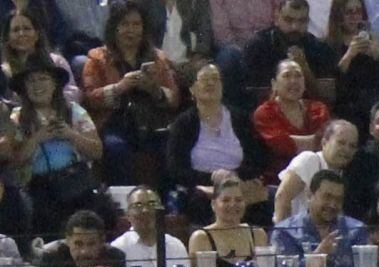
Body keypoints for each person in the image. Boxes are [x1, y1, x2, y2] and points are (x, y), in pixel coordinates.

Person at [12, 52, 108, 239]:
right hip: (38, 190)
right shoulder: (17, 117)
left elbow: (97, 151)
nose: (37, 85)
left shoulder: (74, 111)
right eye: (31, 81)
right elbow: (15, 159)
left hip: (75, 186)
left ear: (54, 83)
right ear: (24, 87)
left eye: (43, 79)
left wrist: (70, 134)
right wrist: (37, 138)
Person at [80, 1, 178, 182]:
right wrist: (119, 87)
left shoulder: (157, 58)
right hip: (114, 122)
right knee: (116, 149)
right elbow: (89, 98)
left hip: (152, 122)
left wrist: (154, 89)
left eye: (136, 24)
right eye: (124, 24)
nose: (131, 30)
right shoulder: (96, 58)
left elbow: (173, 98)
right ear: (114, 28)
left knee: (169, 147)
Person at [165, 62, 271, 225]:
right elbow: (176, 169)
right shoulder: (184, 123)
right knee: (200, 201)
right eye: (204, 79)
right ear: (192, 89)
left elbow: (259, 157)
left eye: (215, 79)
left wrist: (236, 176)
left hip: (238, 184)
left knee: (264, 199)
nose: (210, 83)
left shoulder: (239, 119)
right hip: (202, 188)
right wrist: (212, 178)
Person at [226, 0, 336, 107]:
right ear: (277, 18)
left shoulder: (318, 48)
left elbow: (326, 99)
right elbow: (250, 95)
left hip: (308, 112)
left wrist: (305, 68)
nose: (295, 27)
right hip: (268, 114)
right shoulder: (258, 46)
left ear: (308, 22)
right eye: (289, 20)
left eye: (301, 21)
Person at [271, 167, 368, 267]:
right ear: (309, 195)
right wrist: (317, 256)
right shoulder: (285, 231)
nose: (333, 204)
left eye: (338, 199)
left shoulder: (356, 230)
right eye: (327, 197)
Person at [327, 0, 379, 125]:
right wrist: (349, 55)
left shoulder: (372, 39)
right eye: (349, 12)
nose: (354, 16)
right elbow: (334, 83)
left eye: (358, 11)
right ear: (339, 15)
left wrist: (378, 56)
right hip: (348, 104)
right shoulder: (329, 44)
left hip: (375, 99)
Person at [187, 174, 271, 267]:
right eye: (226, 200)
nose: (233, 205)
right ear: (213, 204)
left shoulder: (258, 234)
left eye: (238, 200)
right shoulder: (201, 238)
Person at [274, 116, 359, 221]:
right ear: (324, 142)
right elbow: (282, 197)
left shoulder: (346, 175)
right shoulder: (309, 159)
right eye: (341, 143)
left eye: (352, 146)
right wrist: (282, 233)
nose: (346, 150)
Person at [252, 56, 330, 165]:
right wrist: (318, 141)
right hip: (279, 176)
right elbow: (282, 146)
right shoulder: (265, 112)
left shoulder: (318, 109)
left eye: (298, 76)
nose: (294, 81)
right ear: (274, 84)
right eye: (287, 76)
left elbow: (327, 143)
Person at [108, 184, 186, 267]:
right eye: (138, 206)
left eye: (152, 204)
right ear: (127, 214)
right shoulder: (118, 249)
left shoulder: (176, 245)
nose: (145, 210)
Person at [35, 208, 126, 267]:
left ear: (102, 242)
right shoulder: (52, 259)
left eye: (91, 244)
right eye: (78, 244)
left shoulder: (115, 258)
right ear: (68, 240)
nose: (84, 252)